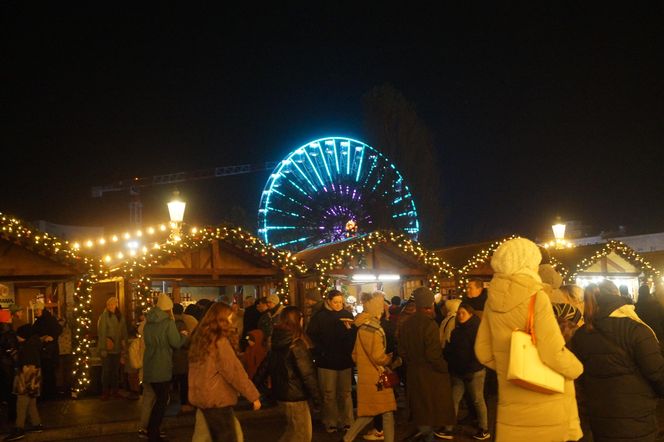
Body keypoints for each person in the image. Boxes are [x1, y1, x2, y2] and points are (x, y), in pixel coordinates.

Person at [475, 237, 584, 442]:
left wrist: (511, 364)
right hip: (544, 402)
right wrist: (576, 368)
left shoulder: (492, 301)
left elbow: (482, 351)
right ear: (529, 262)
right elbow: (552, 352)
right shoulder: (536, 297)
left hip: (511, 405)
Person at [571, 280, 664, 442]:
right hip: (637, 417)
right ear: (617, 296)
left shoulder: (580, 335)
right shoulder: (636, 329)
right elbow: (657, 373)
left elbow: (578, 377)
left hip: (599, 417)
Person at [188, 302, 261, 442]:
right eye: (229, 318)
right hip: (217, 398)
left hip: (203, 398)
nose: (231, 321)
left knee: (203, 436)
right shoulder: (219, 342)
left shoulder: (200, 339)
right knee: (229, 437)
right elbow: (234, 371)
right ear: (220, 319)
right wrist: (253, 395)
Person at [254, 306, 321, 442]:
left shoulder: (276, 341)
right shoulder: (296, 344)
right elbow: (307, 374)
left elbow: (264, 368)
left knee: (292, 431)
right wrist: (317, 398)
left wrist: (260, 389)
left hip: (282, 394)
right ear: (298, 320)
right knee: (302, 435)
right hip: (296, 395)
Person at [398, 287, 455, 441]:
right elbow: (433, 354)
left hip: (413, 371)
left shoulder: (406, 324)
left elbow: (401, 350)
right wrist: (444, 368)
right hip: (429, 373)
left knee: (420, 407)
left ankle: (425, 433)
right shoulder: (430, 325)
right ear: (428, 304)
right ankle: (429, 436)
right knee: (432, 406)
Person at [343, 292, 397, 442]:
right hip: (377, 377)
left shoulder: (362, 327)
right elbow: (378, 356)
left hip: (367, 375)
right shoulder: (374, 329)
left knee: (372, 412)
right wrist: (390, 359)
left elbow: (355, 354)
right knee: (385, 412)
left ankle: (347, 438)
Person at [306, 289, 356, 434]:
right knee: (329, 393)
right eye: (335, 302)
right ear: (328, 301)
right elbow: (311, 337)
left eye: (340, 302)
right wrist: (320, 351)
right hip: (326, 361)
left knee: (345, 392)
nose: (338, 305)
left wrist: (350, 330)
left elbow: (353, 337)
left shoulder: (347, 315)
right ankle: (331, 421)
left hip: (344, 360)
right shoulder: (320, 317)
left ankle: (347, 420)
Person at [142, 293, 188, 442]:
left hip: (149, 364)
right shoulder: (168, 323)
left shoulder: (148, 322)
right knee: (161, 401)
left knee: (153, 399)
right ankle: (152, 432)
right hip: (162, 366)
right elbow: (175, 343)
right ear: (168, 309)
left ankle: (149, 429)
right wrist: (184, 336)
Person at [443, 303, 490, 440]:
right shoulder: (457, 330)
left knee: (477, 400)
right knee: (454, 399)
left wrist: (471, 368)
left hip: (473, 372)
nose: (460, 315)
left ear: (470, 314)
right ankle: (448, 428)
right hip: (459, 372)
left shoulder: (476, 330)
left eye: (463, 313)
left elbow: (478, 352)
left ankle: (484, 428)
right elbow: (454, 350)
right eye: (458, 313)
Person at [4, 324, 43, 442]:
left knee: (21, 402)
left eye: (19, 336)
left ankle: (19, 428)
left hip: (27, 375)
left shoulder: (27, 347)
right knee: (31, 401)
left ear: (24, 336)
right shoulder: (32, 344)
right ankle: (37, 424)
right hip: (33, 375)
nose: (17, 338)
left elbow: (26, 364)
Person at [97, 296, 128, 400]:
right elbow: (102, 333)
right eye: (110, 304)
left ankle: (115, 391)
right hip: (108, 348)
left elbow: (124, 331)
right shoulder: (104, 317)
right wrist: (103, 348)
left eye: (114, 304)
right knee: (106, 371)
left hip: (117, 348)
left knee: (115, 371)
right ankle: (105, 391)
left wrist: (124, 343)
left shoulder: (120, 316)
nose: (112, 306)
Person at [31, 302, 62, 400]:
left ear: (42, 310)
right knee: (46, 373)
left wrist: (51, 337)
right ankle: (48, 393)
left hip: (49, 351)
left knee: (49, 373)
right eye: (35, 310)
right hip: (43, 350)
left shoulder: (49, 319)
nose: (35, 312)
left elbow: (58, 329)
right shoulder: (39, 320)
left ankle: (50, 394)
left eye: (37, 310)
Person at [172, 303, 197, 414]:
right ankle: (184, 403)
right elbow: (185, 339)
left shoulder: (169, 323)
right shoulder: (181, 324)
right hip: (181, 356)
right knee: (184, 381)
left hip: (172, 357)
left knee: (173, 380)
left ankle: (171, 402)